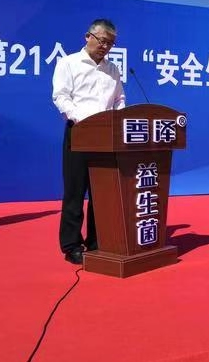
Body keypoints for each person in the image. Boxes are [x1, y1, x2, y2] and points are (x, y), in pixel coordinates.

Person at [52, 19, 125, 264]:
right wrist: (82, 119)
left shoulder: (112, 69)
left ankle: (97, 240)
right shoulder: (69, 63)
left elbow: (119, 99)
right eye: (102, 41)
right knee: (75, 191)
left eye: (110, 43)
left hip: (106, 137)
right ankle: (72, 245)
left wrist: (117, 118)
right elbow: (61, 96)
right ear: (88, 36)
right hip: (80, 133)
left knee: (102, 192)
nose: (105, 47)